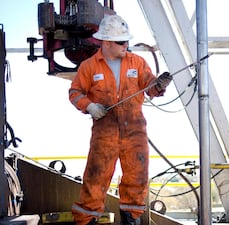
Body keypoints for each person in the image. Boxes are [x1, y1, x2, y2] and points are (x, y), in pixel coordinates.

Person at [68, 14, 173, 225]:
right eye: (121, 41)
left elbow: (150, 86)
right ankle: (86, 220)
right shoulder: (89, 67)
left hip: (134, 131)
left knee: (137, 178)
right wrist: (89, 106)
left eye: (127, 40)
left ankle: (130, 219)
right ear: (106, 42)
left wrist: (159, 84)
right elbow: (75, 92)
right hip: (104, 133)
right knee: (95, 178)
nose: (126, 45)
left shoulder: (137, 62)